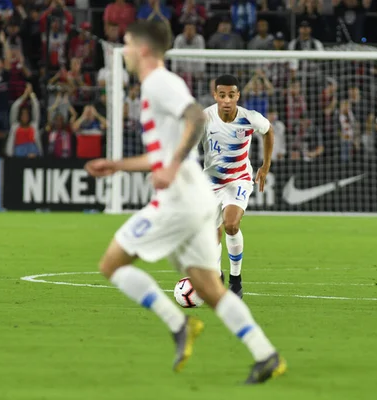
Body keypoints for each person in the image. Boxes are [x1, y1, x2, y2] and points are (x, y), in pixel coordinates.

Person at [84, 21, 285, 384]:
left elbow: (194, 117)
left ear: (143, 49)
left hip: (180, 197)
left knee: (111, 263)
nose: (123, 51)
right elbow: (162, 155)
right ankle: (266, 354)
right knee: (209, 287)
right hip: (198, 195)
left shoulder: (160, 82)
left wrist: (172, 164)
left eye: (127, 44)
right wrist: (117, 165)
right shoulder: (156, 86)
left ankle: (180, 326)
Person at [202, 74, 275, 298]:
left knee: (231, 224)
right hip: (211, 182)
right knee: (211, 234)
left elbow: (269, 131)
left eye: (231, 95)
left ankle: (236, 281)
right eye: (221, 95)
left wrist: (265, 165)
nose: (226, 100)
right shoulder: (204, 118)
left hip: (239, 179)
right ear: (215, 95)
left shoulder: (250, 118)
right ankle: (217, 275)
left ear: (237, 96)